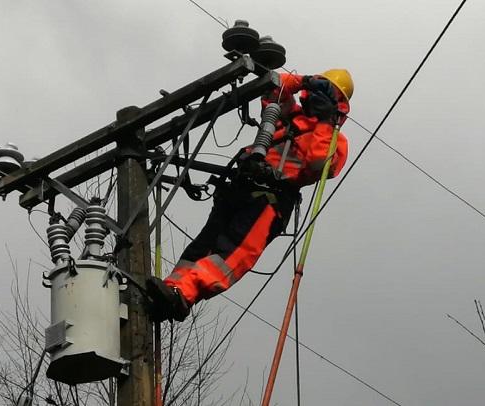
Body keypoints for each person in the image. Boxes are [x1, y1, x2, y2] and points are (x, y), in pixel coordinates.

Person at [146, 69, 354, 322]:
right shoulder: (287, 115)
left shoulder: (334, 139)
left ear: (338, 105)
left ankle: (183, 293)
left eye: (327, 92)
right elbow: (273, 87)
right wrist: (304, 80)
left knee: (232, 252)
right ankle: (172, 291)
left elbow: (319, 166)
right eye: (319, 88)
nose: (317, 94)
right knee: (202, 245)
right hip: (238, 188)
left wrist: (325, 122)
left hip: (271, 200)